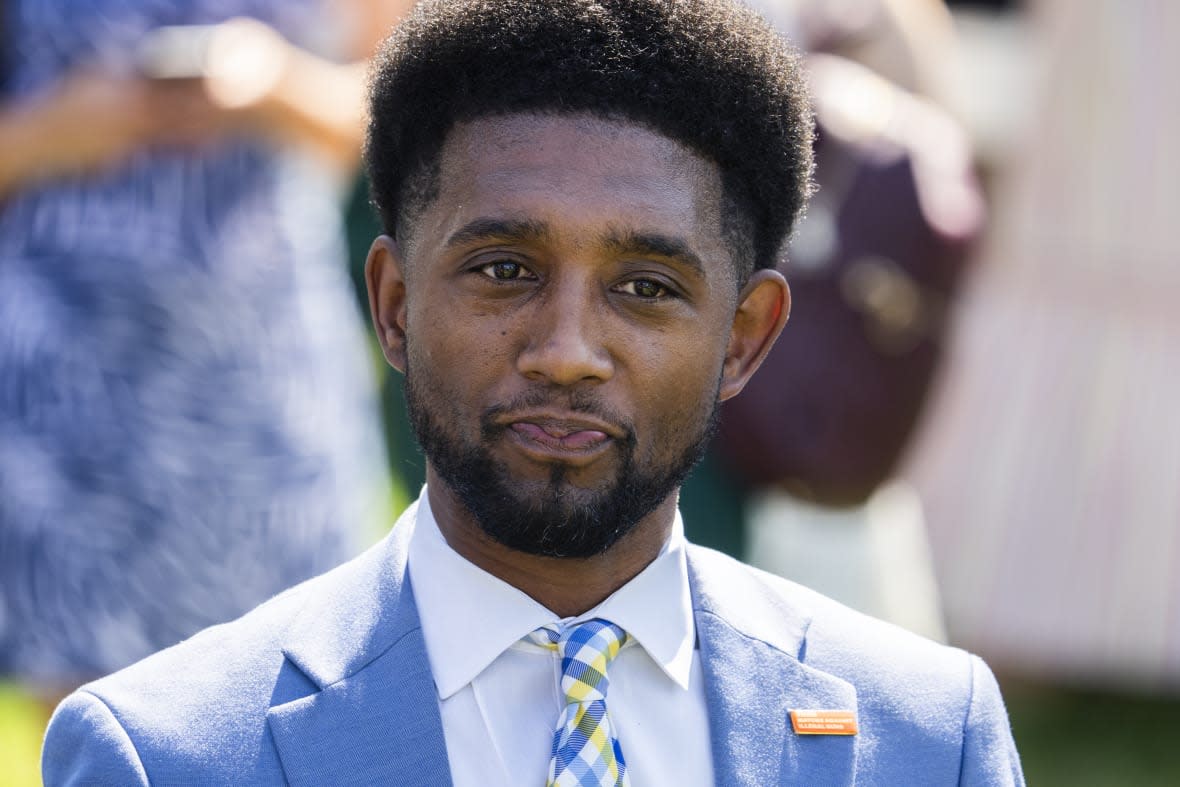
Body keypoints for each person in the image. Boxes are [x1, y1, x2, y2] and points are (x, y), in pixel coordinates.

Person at [41, 1, 1024, 784]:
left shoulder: (926, 738)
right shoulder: (164, 753)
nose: (565, 352)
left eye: (646, 288)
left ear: (745, 336)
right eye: (504, 269)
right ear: (392, 303)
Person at [0, 1, 409, 699]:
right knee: (91, 715)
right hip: (66, 374)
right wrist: (50, 130)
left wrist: (277, 85)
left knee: (302, 690)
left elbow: (419, 114)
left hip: (261, 371)